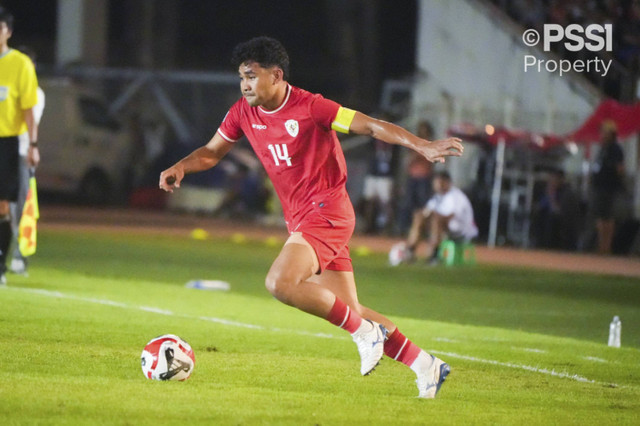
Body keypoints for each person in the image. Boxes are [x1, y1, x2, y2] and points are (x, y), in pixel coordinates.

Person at [159, 37, 463, 398]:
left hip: (327, 212)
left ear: (276, 75)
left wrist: (422, 145)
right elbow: (211, 152)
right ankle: (426, 366)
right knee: (352, 308)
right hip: (303, 219)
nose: (245, 84)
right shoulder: (242, 112)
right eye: (242, 77)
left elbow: (371, 125)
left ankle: (364, 333)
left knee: (280, 283)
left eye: (252, 76)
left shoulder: (312, 107)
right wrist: (181, 166)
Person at [0, 8, 40, 285]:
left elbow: (28, 110)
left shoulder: (20, 64)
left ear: (8, 32)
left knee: (3, 206)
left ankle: (1, 266)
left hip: (6, 142)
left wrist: (33, 145)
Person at [9, 46, 45, 275]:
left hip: (20, 154)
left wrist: (33, 149)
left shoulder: (36, 93)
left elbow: (27, 121)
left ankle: (19, 257)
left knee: (22, 208)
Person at [406, 171, 477, 264]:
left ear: (448, 183)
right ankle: (410, 251)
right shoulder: (437, 197)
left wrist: (432, 216)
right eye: (436, 183)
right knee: (419, 217)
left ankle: (434, 255)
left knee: (436, 219)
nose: (438, 185)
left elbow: (451, 216)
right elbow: (426, 213)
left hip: (463, 232)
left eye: (441, 182)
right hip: (445, 230)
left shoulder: (456, 196)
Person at [360, 112, 400, 234]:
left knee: (387, 202)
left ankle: (389, 228)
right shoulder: (373, 139)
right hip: (373, 173)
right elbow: (369, 153)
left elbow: (396, 158)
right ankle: (367, 226)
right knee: (369, 200)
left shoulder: (393, 139)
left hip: (386, 175)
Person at [590, 120, 625, 254]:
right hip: (600, 187)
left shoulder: (615, 149)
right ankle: (601, 246)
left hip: (609, 187)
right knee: (601, 216)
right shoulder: (603, 149)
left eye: (604, 132)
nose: (602, 134)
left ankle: (606, 246)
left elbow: (620, 168)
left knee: (607, 217)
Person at [398, 120, 434, 246]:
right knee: (409, 205)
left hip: (424, 178)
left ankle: (424, 232)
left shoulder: (430, 143)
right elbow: (409, 160)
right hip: (413, 177)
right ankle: (408, 230)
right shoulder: (413, 142)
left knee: (424, 207)